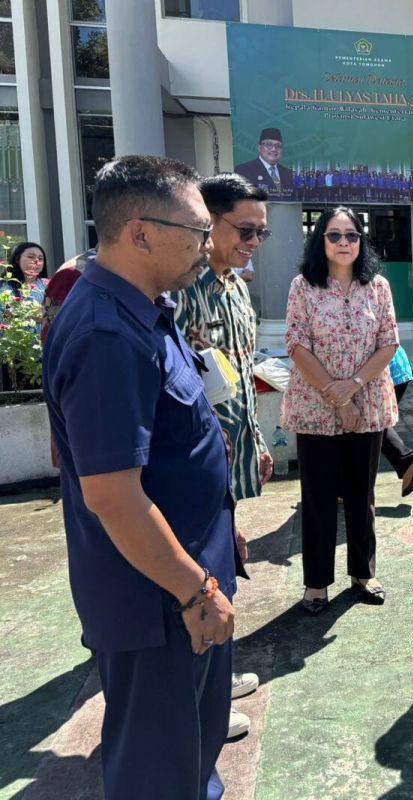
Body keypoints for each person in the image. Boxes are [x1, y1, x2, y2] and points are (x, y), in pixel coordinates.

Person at [41, 154, 237, 799]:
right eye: (198, 230)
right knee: (159, 770)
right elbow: (114, 497)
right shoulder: (107, 335)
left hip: (181, 576)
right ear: (141, 232)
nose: (208, 245)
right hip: (156, 599)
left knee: (191, 754)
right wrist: (195, 593)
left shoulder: (145, 309)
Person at [174, 174, 275, 740]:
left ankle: (218, 672)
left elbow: (237, 369)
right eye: (244, 230)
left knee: (225, 571)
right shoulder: (183, 288)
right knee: (202, 582)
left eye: (261, 232)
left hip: (232, 457)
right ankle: (203, 701)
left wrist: (257, 441)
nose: (253, 242)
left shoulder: (234, 286)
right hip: (195, 462)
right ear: (206, 220)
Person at [281, 207, 399, 614]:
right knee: (316, 497)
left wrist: (354, 388)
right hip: (315, 408)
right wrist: (337, 396)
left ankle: (363, 573)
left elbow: (389, 342)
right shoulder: (304, 286)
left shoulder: (378, 286)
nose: (345, 243)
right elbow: (296, 343)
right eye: (335, 236)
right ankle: (316, 583)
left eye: (352, 235)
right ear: (321, 241)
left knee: (361, 494)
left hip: (367, 405)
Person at [378, 343, 413, 496]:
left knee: (368, 426)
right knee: (374, 425)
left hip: (384, 373)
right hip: (395, 369)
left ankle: (407, 462)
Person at [234, 127, 295, 196]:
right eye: (269, 145)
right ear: (259, 147)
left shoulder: (289, 174)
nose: (274, 149)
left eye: (278, 146)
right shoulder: (243, 171)